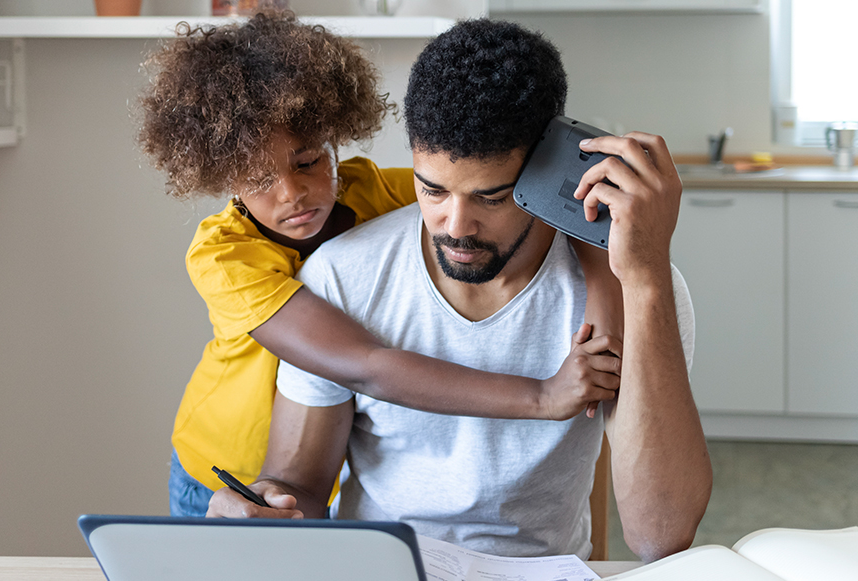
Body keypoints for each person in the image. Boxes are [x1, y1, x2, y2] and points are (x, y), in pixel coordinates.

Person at [206, 18, 713, 563]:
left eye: (491, 197)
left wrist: (647, 278)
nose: (455, 226)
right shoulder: (338, 276)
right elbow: (300, 487)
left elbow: (661, 535)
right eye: (433, 189)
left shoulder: (632, 288)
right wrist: (268, 505)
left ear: (548, 165)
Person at [136, 11, 624, 518]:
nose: (292, 193)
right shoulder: (223, 256)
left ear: (334, 142)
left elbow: (497, 185)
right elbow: (365, 366)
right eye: (258, 178)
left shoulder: (380, 188)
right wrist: (544, 397)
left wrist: (602, 257)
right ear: (221, 175)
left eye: (307, 162)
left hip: (324, 465)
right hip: (225, 478)